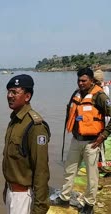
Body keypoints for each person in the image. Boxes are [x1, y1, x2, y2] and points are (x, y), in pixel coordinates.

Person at [51, 67, 111, 214]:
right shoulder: (76, 94)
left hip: (92, 142)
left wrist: (103, 135)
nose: (81, 83)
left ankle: (89, 204)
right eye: (79, 80)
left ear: (91, 80)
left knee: (92, 176)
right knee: (69, 170)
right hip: (76, 139)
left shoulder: (100, 96)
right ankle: (64, 198)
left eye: (84, 80)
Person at [3, 74, 51, 214]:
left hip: (23, 196)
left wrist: (40, 207)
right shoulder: (15, 121)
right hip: (11, 192)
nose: (9, 96)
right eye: (8, 91)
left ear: (27, 96)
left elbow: (41, 169)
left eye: (15, 92)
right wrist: (7, 188)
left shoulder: (35, 126)